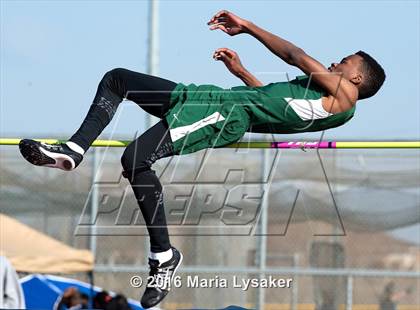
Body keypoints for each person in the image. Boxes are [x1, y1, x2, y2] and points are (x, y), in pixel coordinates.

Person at [18, 10, 386, 308]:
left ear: (356, 77)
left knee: (135, 159)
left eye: (345, 62)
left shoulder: (345, 97)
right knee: (118, 80)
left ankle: (163, 256)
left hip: (224, 115)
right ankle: (73, 151)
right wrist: (242, 73)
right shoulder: (321, 97)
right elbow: (273, 107)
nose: (335, 62)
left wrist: (249, 27)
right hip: (213, 100)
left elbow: (294, 55)